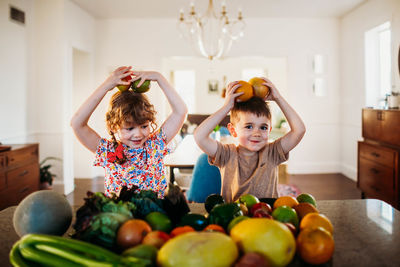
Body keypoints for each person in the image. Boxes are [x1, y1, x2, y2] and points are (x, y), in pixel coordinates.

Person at [71, 66, 188, 198]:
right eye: (129, 128)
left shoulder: (155, 145)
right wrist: (106, 86)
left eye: (144, 126)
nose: (138, 134)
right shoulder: (107, 150)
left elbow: (181, 111)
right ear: (113, 127)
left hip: (156, 215)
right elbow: (77, 124)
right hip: (122, 217)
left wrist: (159, 77)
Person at [194, 78, 305, 202]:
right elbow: (200, 136)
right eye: (249, 126)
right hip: (235, 217)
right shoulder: (226, 154)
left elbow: (299, 130)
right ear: (233, 130)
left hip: (266, 217)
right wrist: (226, 107)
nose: (256, 133)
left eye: (263, 127)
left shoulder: (273, 152)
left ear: (269, 130)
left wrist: (278, 98)